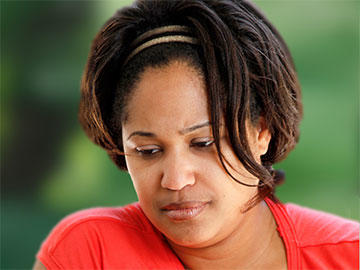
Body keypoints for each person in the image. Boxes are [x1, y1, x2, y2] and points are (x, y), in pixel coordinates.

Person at [33, 0, 359, 269]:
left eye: (203, 143)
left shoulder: (349, 256)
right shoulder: (91, 253)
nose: (175, 180)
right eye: (147, 150)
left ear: (261, 130)